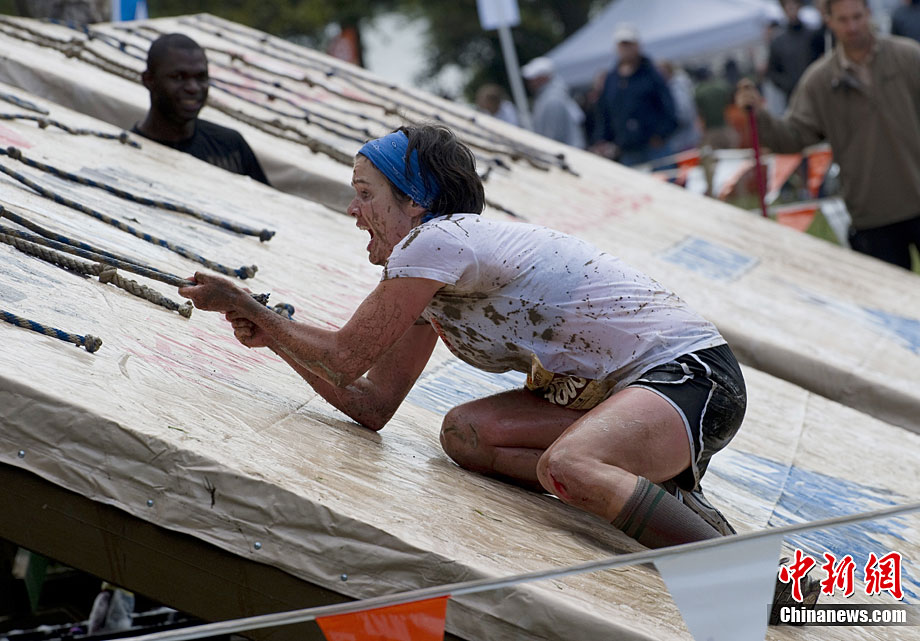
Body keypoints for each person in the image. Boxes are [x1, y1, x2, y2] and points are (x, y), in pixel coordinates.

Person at [177, 123, 748, 552]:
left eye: (366, 194)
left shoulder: (435, 242)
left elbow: (345, 358)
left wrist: (251, 309)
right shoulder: (431, 270)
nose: (352, 210)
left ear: (415, 202)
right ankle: (657, 489)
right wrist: (274, 335)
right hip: (636, 391)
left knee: (570, 464)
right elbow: (372, 403)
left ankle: (747, 571)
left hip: (694, 378)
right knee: (466, 436)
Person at [736, 0, 920, 270]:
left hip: (917, 195)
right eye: (843, 19)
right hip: (872, 216)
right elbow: (792, 136)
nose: (852, 26)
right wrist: (759, 116)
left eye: (857, 17)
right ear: (828, 21)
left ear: (869, 14)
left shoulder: (908, 56)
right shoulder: (820, 81)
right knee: (890, 297)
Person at [134, 33, 270, 185]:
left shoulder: (230, 146)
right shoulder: (130, 153)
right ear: (149, 80)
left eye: (201, 77)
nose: (193, 88)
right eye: (179, 77)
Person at [590, 23, 678, 166]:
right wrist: (602, 139)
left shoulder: (651, 74)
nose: (626, 49)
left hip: (654, 147)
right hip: (627, 149)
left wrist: (661, 134)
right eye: (622, 45)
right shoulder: (612, 79)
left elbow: (669, 106)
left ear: (637, 45)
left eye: (629, 44)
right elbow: (604, 112)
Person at [766, 1, 826, 104]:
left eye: (794, 4)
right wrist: (788, 85)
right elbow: (773, 72)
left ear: (799, 6)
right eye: (788, 6)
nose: (791, 9)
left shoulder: (813, 35)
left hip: (816, 91)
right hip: (793, 97)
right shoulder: (778, 42)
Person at [520, 57, 585, 148]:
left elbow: (553, 136)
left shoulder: (552, 99)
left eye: (533, 78)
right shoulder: (552, 95)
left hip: (566, 152)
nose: (530, 82)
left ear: (543, 78)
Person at [658, 60, 702, 153]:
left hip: (683, 141)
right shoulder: (677, 87)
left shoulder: (676, 89)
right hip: (686, 139)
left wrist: (667, 125)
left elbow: (684, 114)